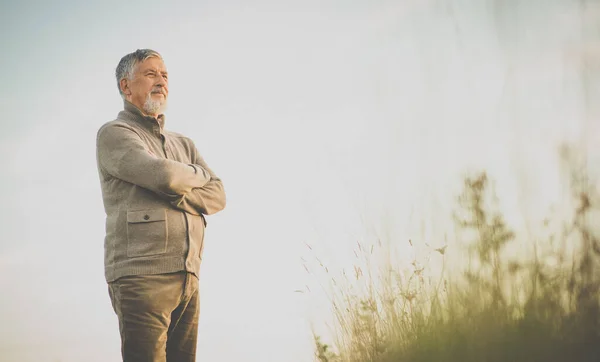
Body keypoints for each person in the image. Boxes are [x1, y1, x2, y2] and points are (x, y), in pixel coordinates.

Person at [95, 49, 226, 362]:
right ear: (126, 87)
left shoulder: (184, 143)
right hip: (142, 277)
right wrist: (197, 176)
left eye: (164, 75)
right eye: (150, 74)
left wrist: (179, 188)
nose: (161, 81)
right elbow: (165, 175)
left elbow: (218, 194)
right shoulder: (115, 134)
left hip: (188, 276)